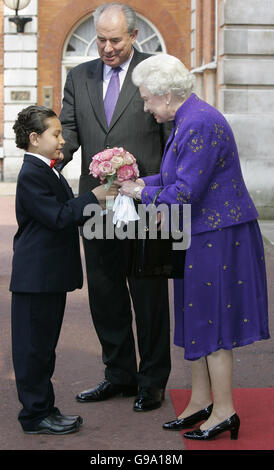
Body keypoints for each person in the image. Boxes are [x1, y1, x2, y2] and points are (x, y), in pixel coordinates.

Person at [119, 53, 270, 440]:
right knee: (198, 317)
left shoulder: (198, 123)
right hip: (206, 234)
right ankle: (202, 401)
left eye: (148, 98)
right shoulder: (190, 117)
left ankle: (224, 410)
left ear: (167, 96)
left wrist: (140, 191)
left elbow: (185, 191)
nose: (146, 106)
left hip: (219, 236)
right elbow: (174, 177)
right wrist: (135, 184)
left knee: (213, 321)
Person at [59, 3, 172, 411]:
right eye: (101, 39)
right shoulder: (79, 75)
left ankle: (153, 380)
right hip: (95, 202)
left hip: (148, 203)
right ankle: (119, 375)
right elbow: (68, 130)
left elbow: (171, 135)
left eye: (115, 40)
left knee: (149, 295)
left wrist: (168, 194)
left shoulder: (156, 72)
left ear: (134, 36)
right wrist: (47, 160)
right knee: (105, 294)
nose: (106, 48)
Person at [10, 105, 117, 435]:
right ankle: (34, 415)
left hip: (47, 276)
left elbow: (63, 214)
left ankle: (44, 408)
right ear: (34, 138)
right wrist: (93, 197)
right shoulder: (31, 173)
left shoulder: (46, 170)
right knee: (33, 350)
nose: (62, 140)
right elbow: (56, 216)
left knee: (43, 349)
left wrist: (99, 202)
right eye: (55, 134)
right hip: (35, 278)